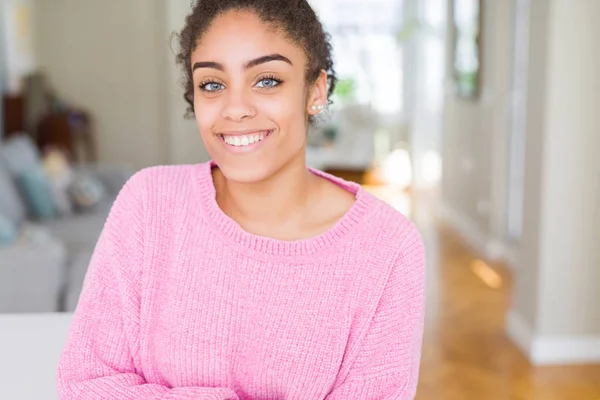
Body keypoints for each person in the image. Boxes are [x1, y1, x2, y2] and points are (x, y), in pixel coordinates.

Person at [56, 0, 426, 398]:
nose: (235, 109)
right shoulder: (148, 204)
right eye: (212, 84)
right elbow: (85, 383)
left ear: (315, 91)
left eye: (267, 80)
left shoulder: (389, 249)